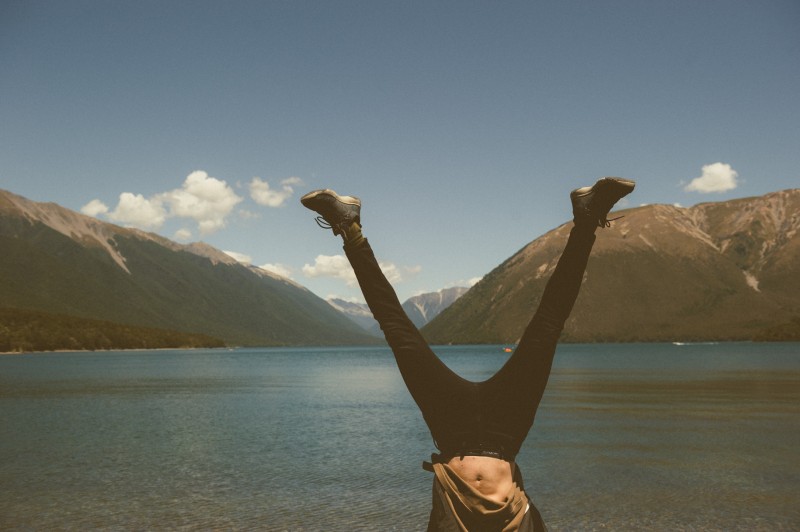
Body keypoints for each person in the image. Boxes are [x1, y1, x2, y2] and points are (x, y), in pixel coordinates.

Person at [301, 177, 635, 531]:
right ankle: (587, 219)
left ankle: (349, 228)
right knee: (547, 327)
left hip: (452, 431)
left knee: (397, 330)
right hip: (506, 432)